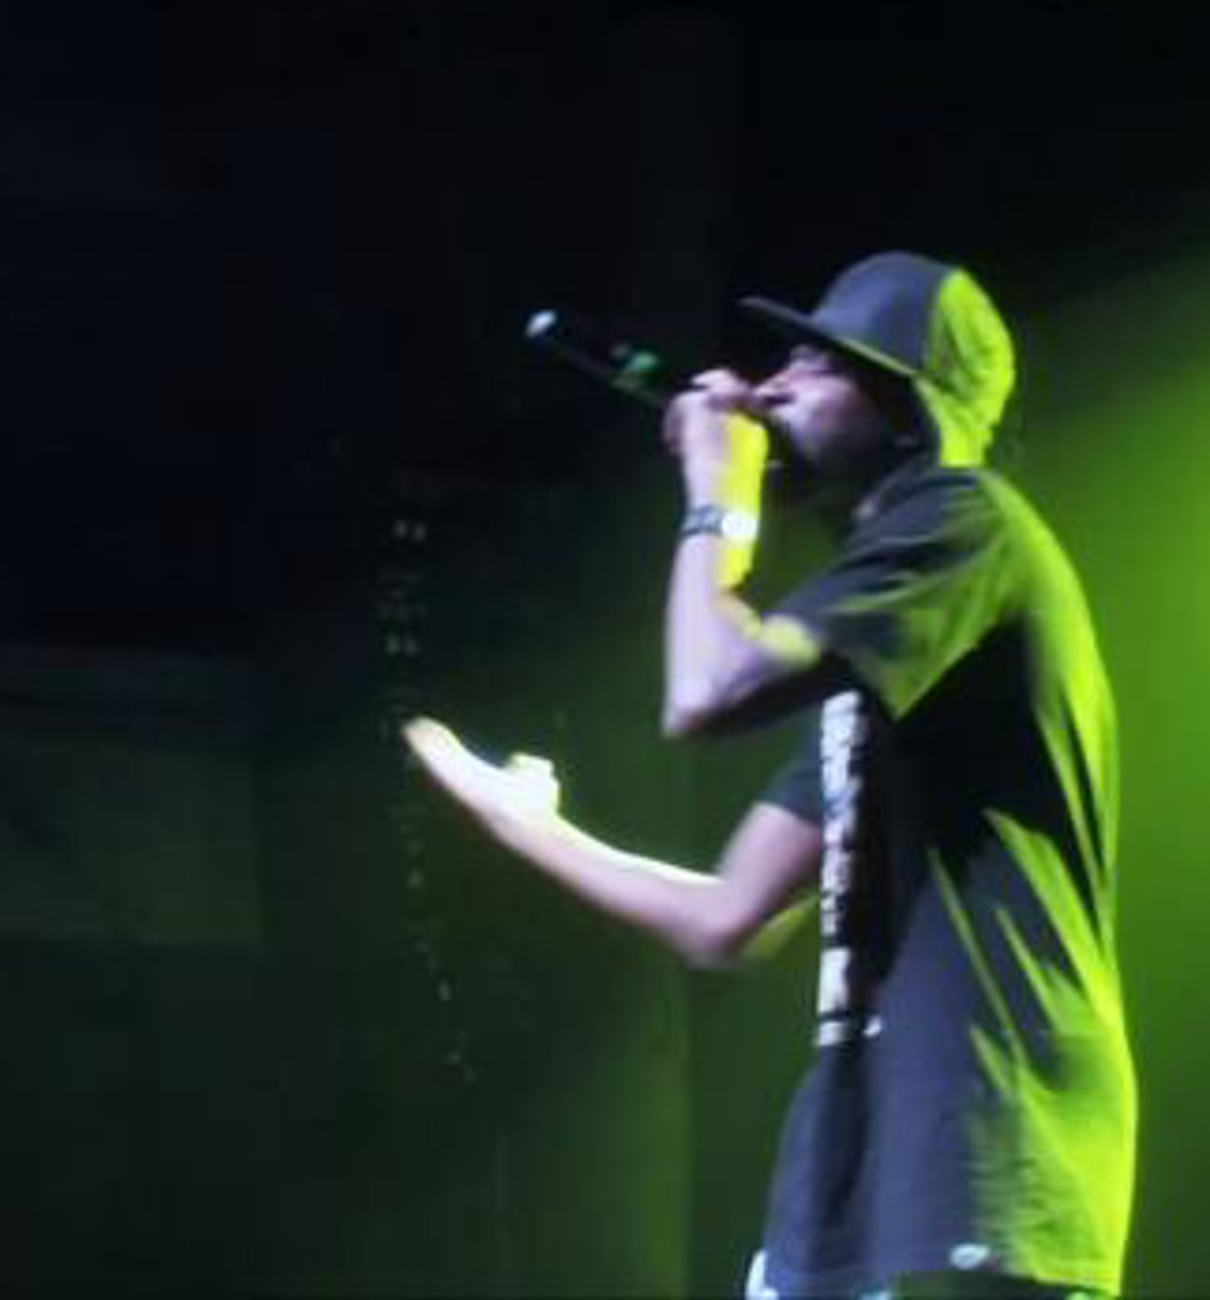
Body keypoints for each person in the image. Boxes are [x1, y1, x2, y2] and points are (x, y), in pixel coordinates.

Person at [404, 251, 1134, 1298]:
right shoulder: (879, 661)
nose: (772, 385)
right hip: (857, 1172)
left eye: (817, 364)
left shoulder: (967, 525)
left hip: (980, 1144)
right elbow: (728, 917)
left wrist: (717, 495)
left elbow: (705, 691)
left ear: (908, 407)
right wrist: (530, 827)